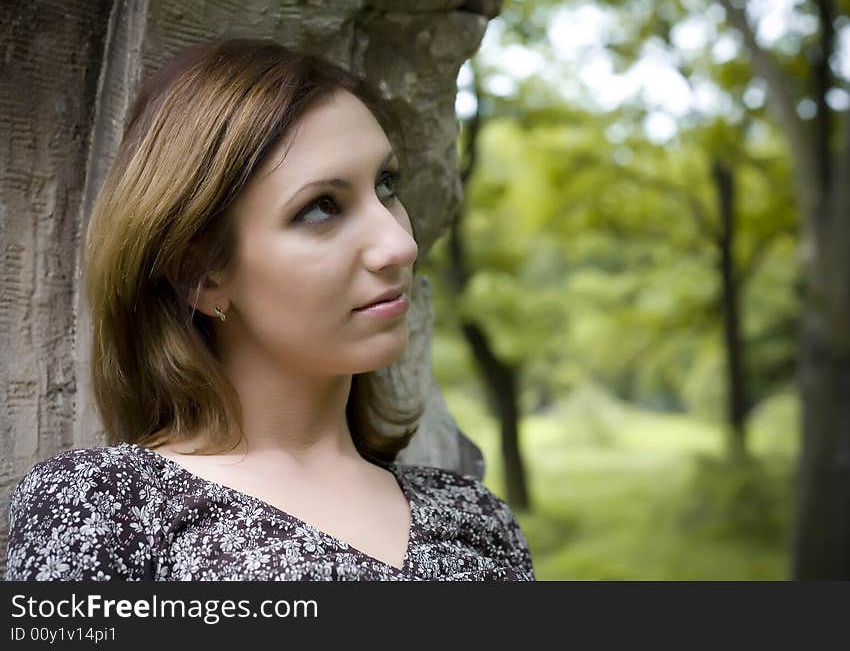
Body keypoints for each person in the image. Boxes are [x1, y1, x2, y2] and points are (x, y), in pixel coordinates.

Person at [4, 39, 534, 581]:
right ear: (202, 274)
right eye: (322, 208)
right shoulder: (106, 509)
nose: (400, 245)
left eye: (386, 185)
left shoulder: (477, 518)